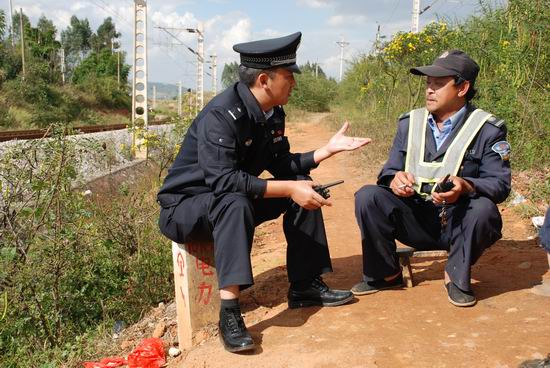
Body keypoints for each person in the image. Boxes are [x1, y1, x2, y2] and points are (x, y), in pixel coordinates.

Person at [156, 32, 370, 352]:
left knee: (302, 181)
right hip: (184, 209)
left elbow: (283, 164)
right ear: (263, 80)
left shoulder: (272, 113)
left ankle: (305, 286)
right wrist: (289, 188)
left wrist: (326, 151)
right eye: (288, 77)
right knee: (237, 201)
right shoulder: (222, 114)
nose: (294, 84)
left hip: (228, 200)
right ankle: (229, 314)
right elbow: (224, 182)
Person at [351, 50, 511, 307]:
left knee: (484, 209)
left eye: (438, 84)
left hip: (459, 221)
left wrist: (465, 185)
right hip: (416, 218)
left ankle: (456, 276)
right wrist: (394, 179)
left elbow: (500, 185)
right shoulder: (409, 123)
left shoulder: (487, 129)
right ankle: (386, 273)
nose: (429, 90)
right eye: (428, 84)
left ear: (463, 88)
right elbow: (388, 170)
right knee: (368, 196)